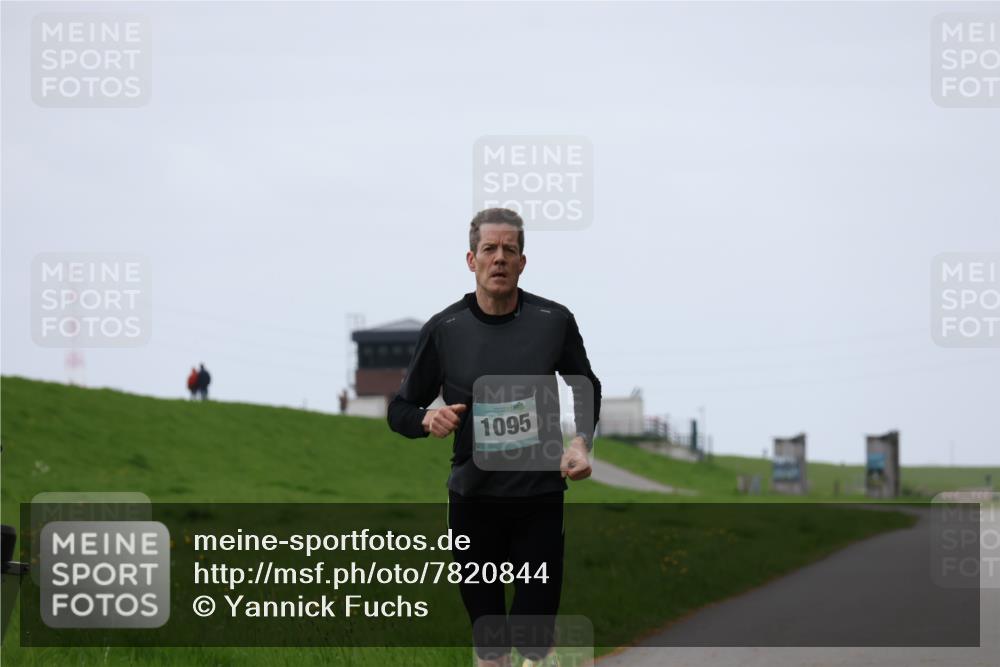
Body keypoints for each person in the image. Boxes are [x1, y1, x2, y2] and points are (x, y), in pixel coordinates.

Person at [387, 208, 601, 667]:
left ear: (523, 261)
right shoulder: (444, 330)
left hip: (538, 501)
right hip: (473, 504)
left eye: (509, 249)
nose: (499, 258)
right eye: (489, 249)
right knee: (491, 649)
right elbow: (399, 409)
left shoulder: (553, 320)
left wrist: (580, 442)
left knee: (533, 640)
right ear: (472, 260)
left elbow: (585, 384)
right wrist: (427, 420)